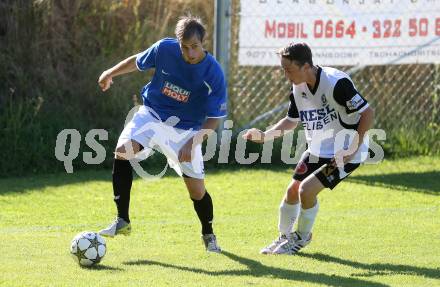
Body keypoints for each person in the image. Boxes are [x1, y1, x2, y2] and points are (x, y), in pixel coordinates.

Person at [97, 15, 227, 253]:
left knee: (197, 192)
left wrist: (195, 140)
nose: (190, 53)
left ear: (203, 43)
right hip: (152, 114)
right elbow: (138, 61)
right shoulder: (164, 49)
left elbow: (215, 117)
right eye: (184, 47)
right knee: (122, 152)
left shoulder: (213, 73)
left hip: (186, 129)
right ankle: (122, 220)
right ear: (178, 43)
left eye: (195, 47)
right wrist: (110, 72)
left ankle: (208, 234)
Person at [243, 42, 374, 255]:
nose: (286, 75)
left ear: (306, 66)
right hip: (319, 148)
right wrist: (265, 136)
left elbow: (368, 113)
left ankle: (302, 238)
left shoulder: (335, 83)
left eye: (289, 69)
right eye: (283, 69)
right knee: (292, 191)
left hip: (346, 152)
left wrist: (351, 148)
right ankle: (284, 238)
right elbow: (291, 120)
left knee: (307, 190)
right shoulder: (298, 86)